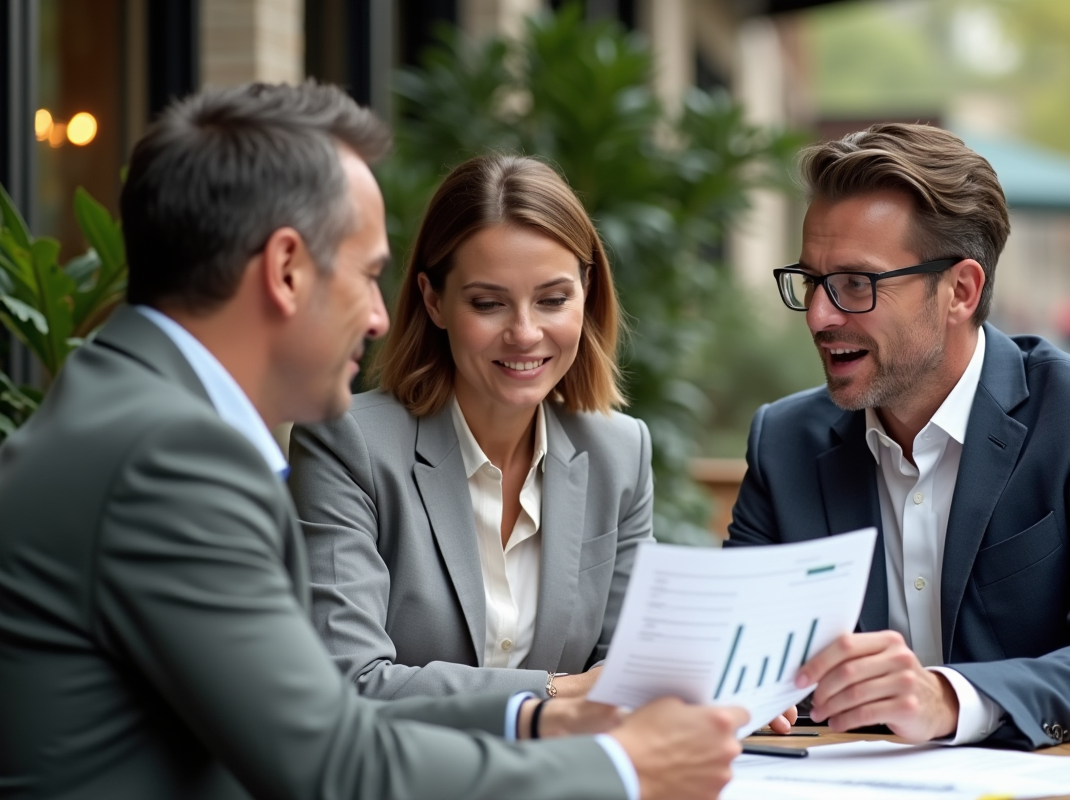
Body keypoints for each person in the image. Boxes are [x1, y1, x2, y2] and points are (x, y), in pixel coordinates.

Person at [0, 81, 748, 799]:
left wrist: (564, 712)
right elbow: (335, 763)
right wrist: (623, 772)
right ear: (287, 270)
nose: (380, 318)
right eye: (367, 275)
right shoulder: (170, 456)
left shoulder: (127, 406)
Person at [726, 122, 1070, 750]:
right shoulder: (784, 441)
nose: (819, 314)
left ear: (961, 290)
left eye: (855, 283)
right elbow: (734, 653)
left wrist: (947, 698)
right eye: (812, 281)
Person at [287, 154, 650, 703]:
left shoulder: (621, 453)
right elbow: (351, 681)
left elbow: (630, 669)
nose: (525, 333)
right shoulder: (347, 444)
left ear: (586, 292)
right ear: (435, 301)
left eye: (553, 300)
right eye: (488, 303)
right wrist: (553, 694)